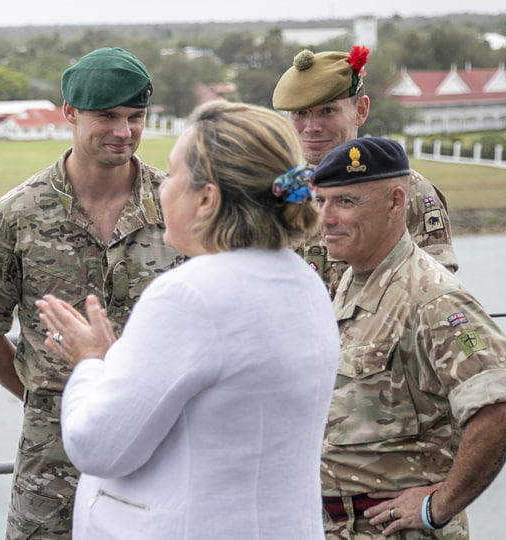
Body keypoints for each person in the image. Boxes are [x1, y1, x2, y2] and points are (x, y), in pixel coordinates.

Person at [36, 100, 340, 539]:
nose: (161, 189)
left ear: (206, 198)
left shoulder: (190, 295)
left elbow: (98, 447)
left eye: (174, 174)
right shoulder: (302, 281)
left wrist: (91, 362)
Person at [0, 47, 182, 539]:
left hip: (157, 447)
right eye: (107, 116)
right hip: (52, 460)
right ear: (70, 114)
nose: (124, 132)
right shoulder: (18, 213)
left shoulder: (177, 208)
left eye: (135, 116)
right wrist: (41, 396)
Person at [312, 137, 506, 538]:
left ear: (395, 202)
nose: (326, 219)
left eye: (345, 202)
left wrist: (439, 506)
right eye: (321, 202)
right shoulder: (356, 277)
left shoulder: (430, 296)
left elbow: (497, 406)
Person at [272, 46, 458, 295]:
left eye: (328, 111)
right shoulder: (278, 192)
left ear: (360, 110)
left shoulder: (406, 190)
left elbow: (437, 289)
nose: (312, 127)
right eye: (300, 113)